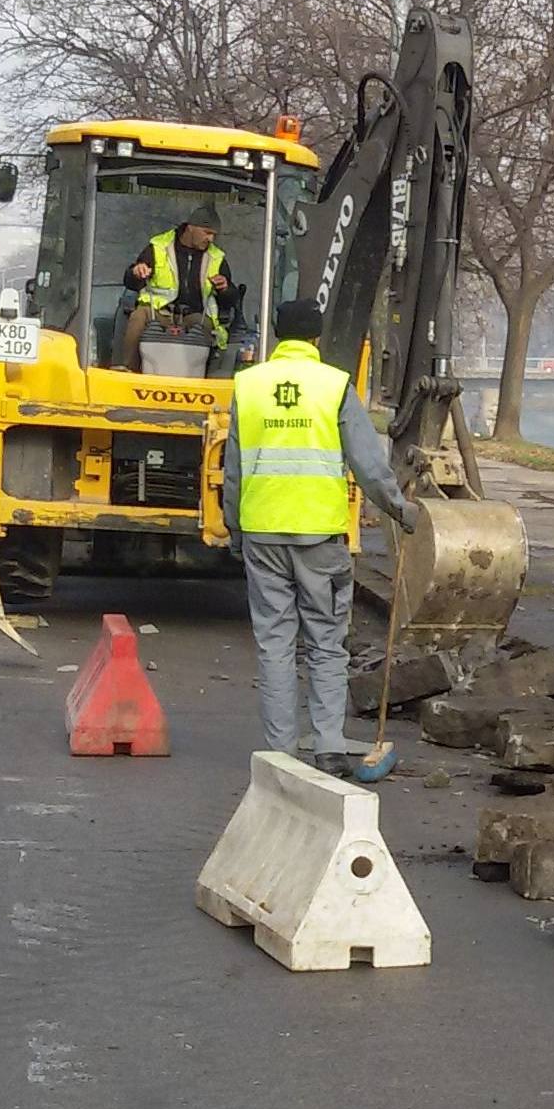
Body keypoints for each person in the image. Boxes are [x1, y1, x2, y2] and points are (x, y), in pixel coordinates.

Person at [230, 299, 416, 776]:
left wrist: (235, 529)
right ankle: (329, 748)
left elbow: (232, 471)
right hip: (319, 536)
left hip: (262, 532)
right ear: (315, 339)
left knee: (274, 641)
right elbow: (368, 464)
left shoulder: (248, 386)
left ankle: (279, 753)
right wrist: (399, 509)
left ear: (277, 336)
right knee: (326, 642)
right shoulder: (334, 385)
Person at [116, 202, 237, 370]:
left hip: (195, 314)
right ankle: (128, 369)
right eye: (207, 233)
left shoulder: (216, 257)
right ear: (190, 228)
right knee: (138, 317)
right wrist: (136, 272)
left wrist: (224, 288)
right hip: (158, 312)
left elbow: (231, 300)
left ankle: (206, 377)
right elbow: (131, 282)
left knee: (205, 327)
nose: (210, 239)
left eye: (214, 235)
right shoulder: (158, 247)